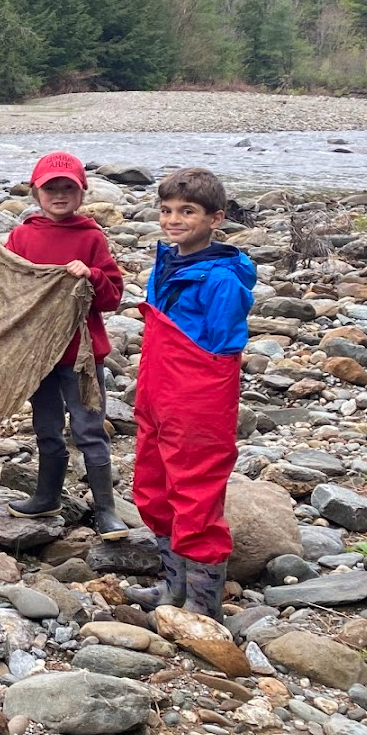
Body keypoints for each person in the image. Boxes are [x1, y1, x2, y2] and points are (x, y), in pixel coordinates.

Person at [0, 152, 128, 540]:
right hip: (38, 356)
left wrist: (90, 274)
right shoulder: (24, 235)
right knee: (46, 427)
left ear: (81, 193)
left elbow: (112, 297)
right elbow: (4, 286)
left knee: (89, 428)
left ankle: (106, 509)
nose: (59, 195)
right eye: (50, 188)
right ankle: (46, 496)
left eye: (67, 188)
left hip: (81, 357)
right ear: (36, 192)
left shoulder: (91, 237)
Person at [126, 168, 255, 621]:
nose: (173, 220)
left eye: (187, 212)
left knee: (196, 492)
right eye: (166, 211)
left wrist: (193, 395)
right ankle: (172, 585)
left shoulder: (221, 279)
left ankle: (202, 606)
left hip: (197, 400)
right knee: (152, 486)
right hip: (158, 395)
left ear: (215, 218)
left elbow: (222, 352)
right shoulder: (167, 263)